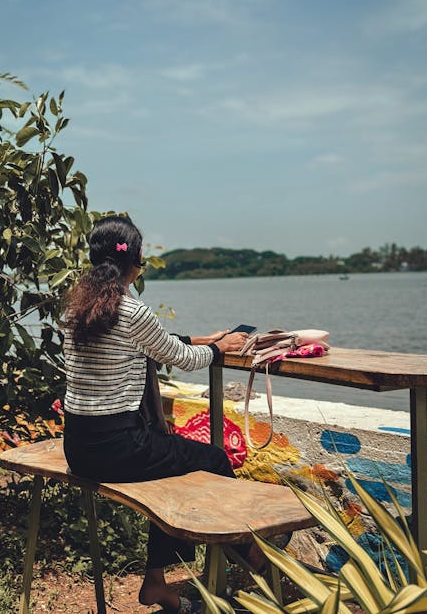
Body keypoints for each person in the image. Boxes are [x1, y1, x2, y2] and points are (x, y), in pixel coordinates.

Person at [63, 215, 253, 613]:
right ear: (134, 262)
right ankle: (250, 555)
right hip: (119, 448)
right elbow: (183, 359)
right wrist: (225, 346)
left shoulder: (80, 310)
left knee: (171, 463)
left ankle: (157, 585)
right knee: (211, 459)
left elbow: (151, 343)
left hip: (79, 447)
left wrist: (204, 338)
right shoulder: (132, 311)